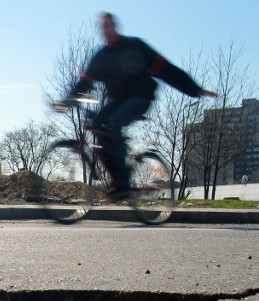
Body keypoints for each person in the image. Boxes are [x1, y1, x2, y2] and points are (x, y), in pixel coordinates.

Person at [55, 12, 217, 199]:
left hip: (142, 98)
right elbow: (84, 82)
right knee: (97, 125)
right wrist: (66, 101)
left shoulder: (136, 46)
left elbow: (167, 70)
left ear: (115, 27)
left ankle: (123, 182)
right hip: (117, 101)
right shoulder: (102, 56)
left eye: (109, 26)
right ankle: (117, 176)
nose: (106, 31)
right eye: (102, 28)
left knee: (113, 123)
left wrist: (194, 89)